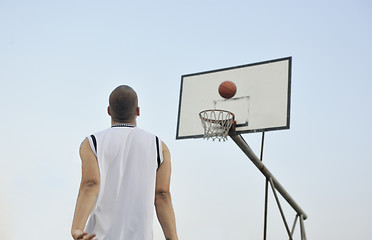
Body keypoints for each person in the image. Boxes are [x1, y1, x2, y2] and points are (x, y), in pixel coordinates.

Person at [71, 85, 178, 240]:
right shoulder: (159, 146)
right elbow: (162, 195)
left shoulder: (92, 143)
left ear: (108, 110)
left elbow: (90, 183)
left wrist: (77, 229)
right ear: (138, 111)